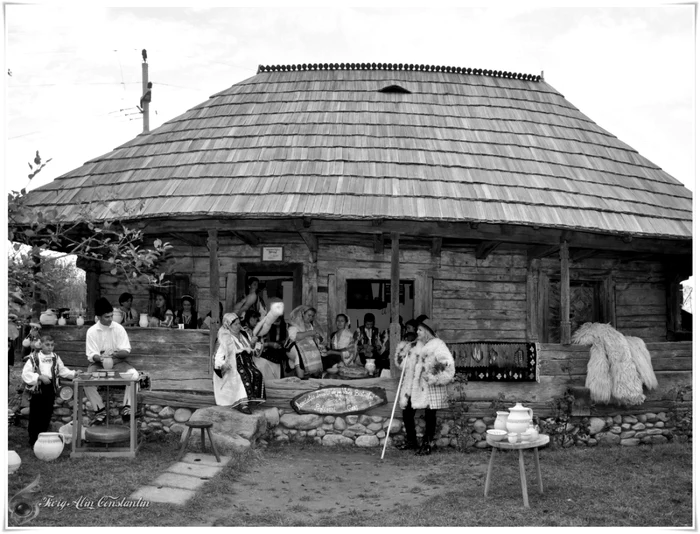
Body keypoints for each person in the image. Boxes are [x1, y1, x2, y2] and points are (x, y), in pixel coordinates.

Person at [394, 317, 455, 456]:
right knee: (407, 411)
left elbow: (448, 364)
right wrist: (404, 352)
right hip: (414, 385)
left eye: (420, 329)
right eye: (417, 329)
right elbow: (404, 365)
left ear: (427, 331)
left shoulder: (438, 345)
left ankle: (427, 444)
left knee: (430, 415)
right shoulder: (417, 345)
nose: (417, 332)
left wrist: (434, 377)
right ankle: (412, 441)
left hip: (430, 386)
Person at [84, 297, 140, 424]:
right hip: (98, 364)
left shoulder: (118, 328)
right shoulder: (91, 331)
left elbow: (126, 351)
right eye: (106, 317)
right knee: (86, 381)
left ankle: (127, 409)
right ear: (98, 317)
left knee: (135, 376)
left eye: (111, 316)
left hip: (117, 362)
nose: (110, 319)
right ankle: (100, 411)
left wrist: (114, 354)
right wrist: (101, 357)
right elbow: (91, 355)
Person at [22, 334, 81, 447]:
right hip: (38, 389)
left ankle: (42, 438)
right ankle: (33, 439)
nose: (50, 347)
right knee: (36, 414)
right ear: (41, 345)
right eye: (47, 345)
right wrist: (39, 377)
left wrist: (74, 373)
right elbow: (26, 374)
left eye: (52, 345)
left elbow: (62, 371)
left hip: (50, 388)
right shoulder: (34, 358)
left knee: (46, 413)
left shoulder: (55, 357)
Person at [212, 312, 264, 414]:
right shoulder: (223, 337)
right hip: (232, 364)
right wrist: (224, 365)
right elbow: (217, 357)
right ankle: (243, 404)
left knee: (257, 373)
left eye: (239, 323)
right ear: (228, 325)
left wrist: (252, 343)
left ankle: (251, 399)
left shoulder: (244, 333)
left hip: (246, 362)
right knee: (241, 375)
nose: (239, 326)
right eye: (235, 324)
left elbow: (254, 352)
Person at [287, 305, 329, 378]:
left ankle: (314, 374)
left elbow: (315, 337)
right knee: (300, 355)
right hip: (293, 345)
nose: (310, 318)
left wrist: (317, 337)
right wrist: (309, 333)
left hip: (306, 345)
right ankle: (301, 377)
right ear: (303, 313)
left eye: (312, 316)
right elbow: (294, 337)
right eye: (309, 315)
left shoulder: (310, 325)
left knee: (318, 352)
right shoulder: (295, 324)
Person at [256, 315, 289, 380]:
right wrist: (269, 344)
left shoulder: (284, 326)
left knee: (281, 353)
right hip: (265, 350)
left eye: (278, 320)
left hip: (279, 349)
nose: (276, 322)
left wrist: (280, 344)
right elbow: (259, 344)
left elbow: (285, 340)